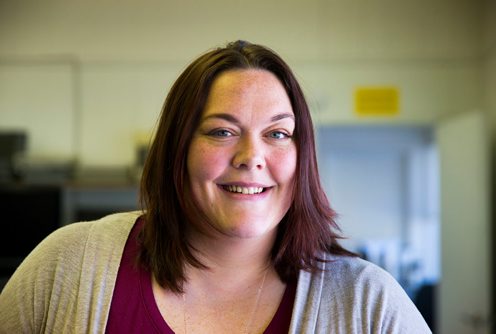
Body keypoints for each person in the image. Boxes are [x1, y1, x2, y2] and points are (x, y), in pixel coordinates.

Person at [0, 40, 432, 334]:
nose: (251, 156)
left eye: (278, 134)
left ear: (303, 156)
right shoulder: (67, 267)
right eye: (222, 132)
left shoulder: (369, 304)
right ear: (178, 148)